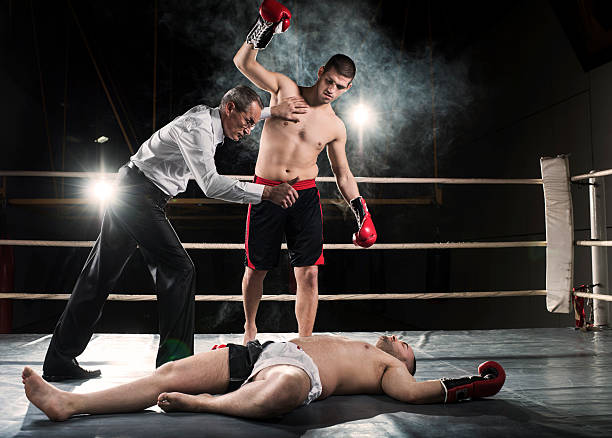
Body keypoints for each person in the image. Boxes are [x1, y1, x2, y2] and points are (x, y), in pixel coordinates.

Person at [42, 85, 308, 382]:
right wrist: (267, 192)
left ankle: (59, 360)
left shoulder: (209, 116)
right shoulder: (199, 131)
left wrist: (273, 112)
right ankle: (175, 369)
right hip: (137, 197)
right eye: (248, 122)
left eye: (252, 124)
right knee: (180, 270)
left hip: (131, 190)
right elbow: (211, 185)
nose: (248, 131)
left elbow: (245, 111)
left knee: (99, 275)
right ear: (230, 109)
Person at [234, 0, 378, 344]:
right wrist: (262, 27)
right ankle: (250, 328)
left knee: (309, 274)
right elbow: (243, 62)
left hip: (305, 195)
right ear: (320, 71)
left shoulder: (336, 126)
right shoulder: (284, 88)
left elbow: (343, 174)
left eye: (340, 86)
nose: (332, 89)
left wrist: (362, 212)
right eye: (329, 80)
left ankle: (305, 343)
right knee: (257, 268)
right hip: (266, 190)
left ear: (348, 89)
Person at [22, 334, 506, 421]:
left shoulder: (390, 369)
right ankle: (69, 403)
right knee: (169, 371)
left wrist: (477, 383)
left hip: (298, 371)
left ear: (405, 360)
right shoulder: (365, 344)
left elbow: (417, 394)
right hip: (265, 351)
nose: (397, 338)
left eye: (405, 344)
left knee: (288, 391)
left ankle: (208, 403)